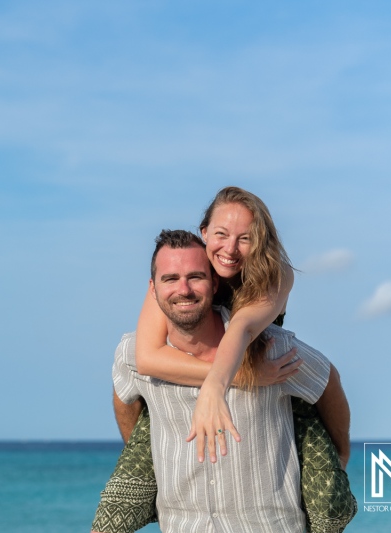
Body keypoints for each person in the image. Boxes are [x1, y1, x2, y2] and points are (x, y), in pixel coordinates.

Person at [91, 187, 356, 533]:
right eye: (221, 234)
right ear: (204, 234)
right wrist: (242, 379)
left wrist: (342, 451)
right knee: (113, 510)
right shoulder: (181, 266)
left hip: (257, 352)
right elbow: (145, 360)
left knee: (325, 497)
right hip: (247, 373)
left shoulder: (274, 276)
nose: (230, 249)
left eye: (244, 238)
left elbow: (244, 330)